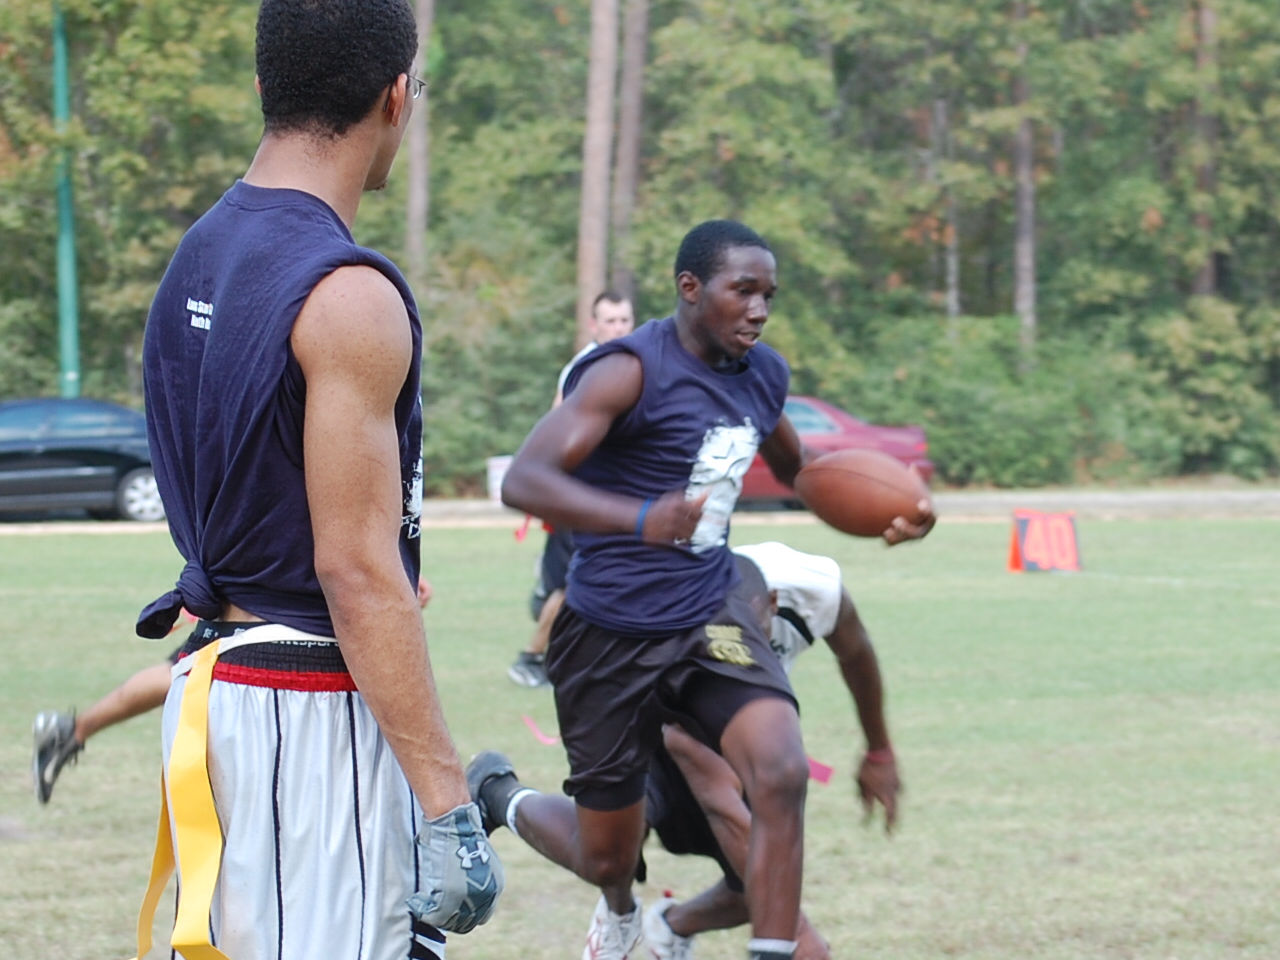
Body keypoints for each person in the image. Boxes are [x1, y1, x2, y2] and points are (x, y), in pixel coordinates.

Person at [130, 3, 500, 958]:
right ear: (394, 97)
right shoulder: (348, 292)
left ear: (266, 89)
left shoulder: (197, 253)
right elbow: (355, 570)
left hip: (221, 691)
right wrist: (448, 803)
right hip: (305, 709)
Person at [476, 219, 933, 960]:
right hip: (608, 630)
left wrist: (893, 509)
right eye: (742, 290)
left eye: (769, 295)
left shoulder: (761, 375)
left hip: (705, 607)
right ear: (690, 289)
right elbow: (526, 481)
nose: (758, 309)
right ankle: (498, 793)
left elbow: (801, 473)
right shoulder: (628, 370)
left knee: (782, 768)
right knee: (608, 860)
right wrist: (639, 517)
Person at [473, 544, 903, 960]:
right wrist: (797, 938)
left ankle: (671, 925)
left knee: (752, 890)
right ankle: (500, 793)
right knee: (608, 859)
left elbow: (856, 653)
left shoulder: (814, 586)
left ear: (772, 603)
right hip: (652, 725)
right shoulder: (688, 630)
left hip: (730, 734)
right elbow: (717, 796)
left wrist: (879, 751)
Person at [31, 581, 432, 804]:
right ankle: (74, 730)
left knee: (176, 673)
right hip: (274, 599)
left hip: (252, 586)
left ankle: (74, 730)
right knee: (180, 674)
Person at [509, 291, 634, 688]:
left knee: (603, 574)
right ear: (594, 325)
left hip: (602, 495)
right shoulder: (584, 368)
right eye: (610, 321)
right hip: (576, 494)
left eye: (624, 320)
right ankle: (530, 657)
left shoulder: (628, 364)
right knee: (571, 583)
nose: (618, 328)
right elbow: (557, 428)